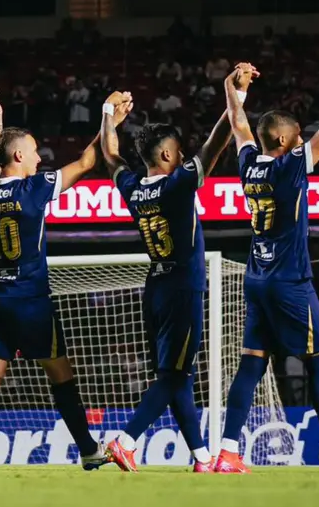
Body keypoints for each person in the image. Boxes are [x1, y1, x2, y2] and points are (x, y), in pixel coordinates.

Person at [215, 38, 319, 474]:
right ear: (288, 141)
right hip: (291, 283)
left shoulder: (249, 163)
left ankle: (227, 453)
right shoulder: (292, 166)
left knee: (252, 366)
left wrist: (234, 89)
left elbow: (238, 125)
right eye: (297, 136)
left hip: (256, 280)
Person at [100, 64, 256, 473]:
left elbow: (110, 155)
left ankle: (203, 458)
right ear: (167, 155)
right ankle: (126, 440)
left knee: (178, 377)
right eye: (178, 150)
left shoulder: (132, 187)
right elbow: (216, 145)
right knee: (173, 377)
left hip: (154, 288)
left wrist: (106, 116)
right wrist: (234, 96)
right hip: (184, 289)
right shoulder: (176, 184)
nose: (184, 155)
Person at [0, 85, 114, 472]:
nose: (41, 155)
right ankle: (89, 450)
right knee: (61, 376)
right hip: (31, 301)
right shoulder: (34, 189)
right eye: (34, 149)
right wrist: (108, 116)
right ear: (20, 156)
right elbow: (87, 161)